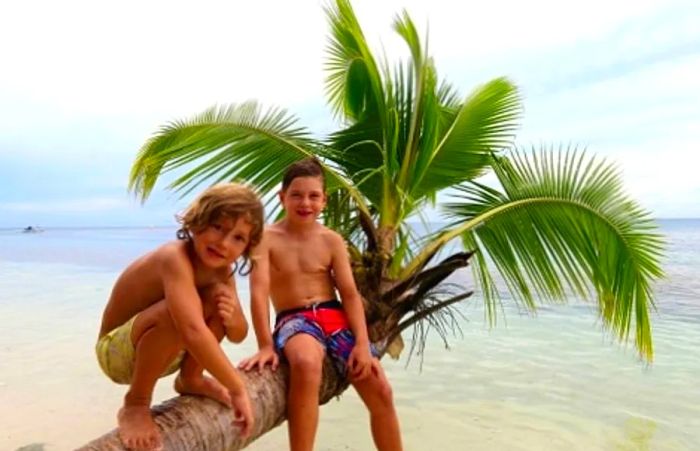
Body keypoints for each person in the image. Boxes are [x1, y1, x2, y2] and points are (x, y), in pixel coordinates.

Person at [239, 158, 403, 451]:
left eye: (314, 196)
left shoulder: (331, 240)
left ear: (324, 200)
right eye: (297, 195)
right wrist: (265, 344)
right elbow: (258, 293)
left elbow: (350, 295)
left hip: (334, 317)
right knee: (305, 362)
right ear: (282, 197)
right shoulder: (265, 240)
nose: (306, 203)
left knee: (381, 389)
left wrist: (362, 344)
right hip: (295, 320)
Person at [96, 183, 263, 450]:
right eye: (218, 227)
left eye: (238, 238)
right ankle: (136, 402)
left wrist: (231, 316)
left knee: (217, 297)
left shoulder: (223, 272)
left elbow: (238, 333)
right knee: (176, 313)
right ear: (198, 222)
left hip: (163, 351)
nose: (223, 243)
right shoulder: (173, 258)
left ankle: (190, 378)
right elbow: (192, 331)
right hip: (116, 353)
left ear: (247, 246)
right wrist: (236, 388)